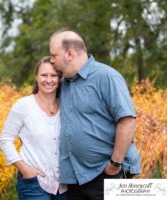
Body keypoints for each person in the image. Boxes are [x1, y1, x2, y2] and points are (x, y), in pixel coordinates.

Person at [49, 29, 140, 200]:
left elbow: (127, 120)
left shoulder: (106, 77)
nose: (51, 61)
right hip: (76, 178)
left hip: (108, 174)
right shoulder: (65, 83)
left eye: (54, 55)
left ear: (69, 54)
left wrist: (115, 164)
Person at [0, 56, 68, 200]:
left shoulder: (66, 107)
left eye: (53, 75)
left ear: (59, 78)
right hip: (33, 184)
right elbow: (5, 140)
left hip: (64, 186)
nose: (48, 80)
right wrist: (25, 170)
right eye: (44, 75)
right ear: (36, 77)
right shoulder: (23, 106)